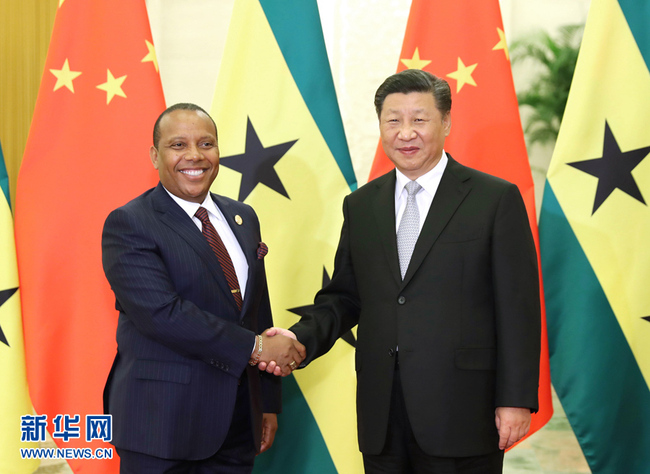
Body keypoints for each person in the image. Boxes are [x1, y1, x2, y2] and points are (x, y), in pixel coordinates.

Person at [263, 70, 541, 473]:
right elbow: (344, 297)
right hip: (382, 413)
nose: (405, 132)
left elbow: (518, 308)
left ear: (446, 122)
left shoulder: (494, 199)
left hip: (462, 410)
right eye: (393, 120)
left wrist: (514, 398)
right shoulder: (361, 206)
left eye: (419, 119)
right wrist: (298, 339)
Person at [101, 103, 305, 474]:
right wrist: (258, 348)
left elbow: (257, 310)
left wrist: (268, 401)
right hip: (162, 425)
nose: (194, 155)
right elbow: (163, 314)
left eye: (206, 143)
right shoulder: (130, 223)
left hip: (238, 421)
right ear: (155, 154)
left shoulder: (242, 217)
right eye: (178, 145)